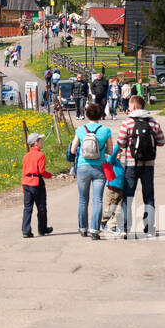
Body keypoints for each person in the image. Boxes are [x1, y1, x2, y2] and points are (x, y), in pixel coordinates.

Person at [116, 94, 165, 237]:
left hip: (131, 163)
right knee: (149, 195)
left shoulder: (127, 122)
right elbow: (161, 141)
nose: (128, 108)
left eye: (130, 105)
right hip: (149, 164)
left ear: (134, 106)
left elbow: (121, 142)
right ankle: (149, 228)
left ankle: (125, 228)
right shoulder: (153, 122)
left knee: (128, 195)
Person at [70, 101, 114, 239]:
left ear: (87, 114)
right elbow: (110, 150)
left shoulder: (80, 130)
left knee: (83, 199)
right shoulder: (105, 130)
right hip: (99, 168)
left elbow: (72, 150)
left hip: (83, 167)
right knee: (98, 200)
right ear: (100, 115)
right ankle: (94, 230)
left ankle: (82, 228)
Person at [21, 133, 53, 237]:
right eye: (40, 140)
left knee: (27, 207)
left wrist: (23, 186)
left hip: (26, 182)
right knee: (41, 206)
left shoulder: (25, 156)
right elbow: (41, 171)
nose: (42, 142)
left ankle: (26, 230)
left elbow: (24, 171)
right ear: (36, 143)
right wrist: (49, 175)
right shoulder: (41, 155)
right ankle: (42, 229)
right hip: (36, 182)